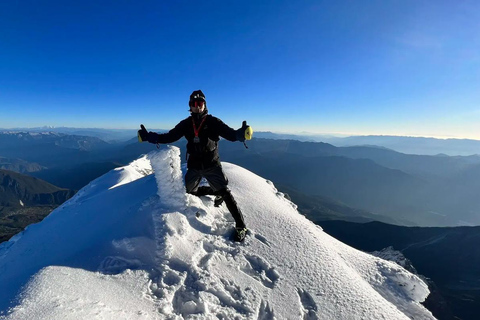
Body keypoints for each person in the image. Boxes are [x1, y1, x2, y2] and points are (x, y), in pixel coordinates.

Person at [138, 90, 252, 242]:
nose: (197, 106)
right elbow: (169, 136)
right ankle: (214, 192)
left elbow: (230, 134)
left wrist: (241, 134)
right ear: (190, 106)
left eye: (200, 103)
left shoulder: (213, 122)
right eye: (193, 104)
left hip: (212, 164)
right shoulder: (186, 124)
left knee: (225, 192)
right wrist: (149, 137)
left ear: (204, 105)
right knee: (189, 192)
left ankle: (241, 225)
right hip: (194, 165)